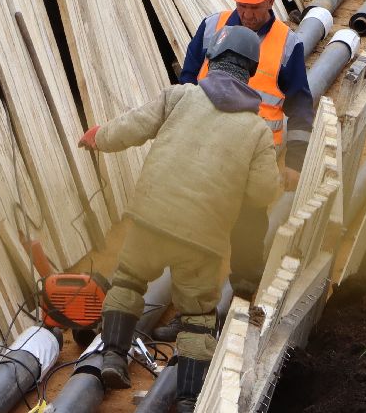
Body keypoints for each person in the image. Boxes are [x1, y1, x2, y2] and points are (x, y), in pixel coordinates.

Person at [78, 26, 280, 411]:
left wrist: (99, 137)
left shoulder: (180, 96)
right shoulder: (256, 130)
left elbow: (131, 127)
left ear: (212, 60)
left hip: (150, 217)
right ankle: (189, 399)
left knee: (128, 282)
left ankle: (113, 359)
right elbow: (262, 193)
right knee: (198, 318)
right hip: (202, 238)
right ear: (251, 72)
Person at [178, 0, 313, 299]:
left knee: (249, 224)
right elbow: (186, 81)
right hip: (206, 148)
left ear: (271, 0)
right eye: (242, 6)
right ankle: (193, 298)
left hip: (257, 154)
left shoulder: (287, 44)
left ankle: (243, 290)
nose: (249, 15)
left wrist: (295, 161)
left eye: (255, 7)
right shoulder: (212, 28)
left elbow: (299, 105)